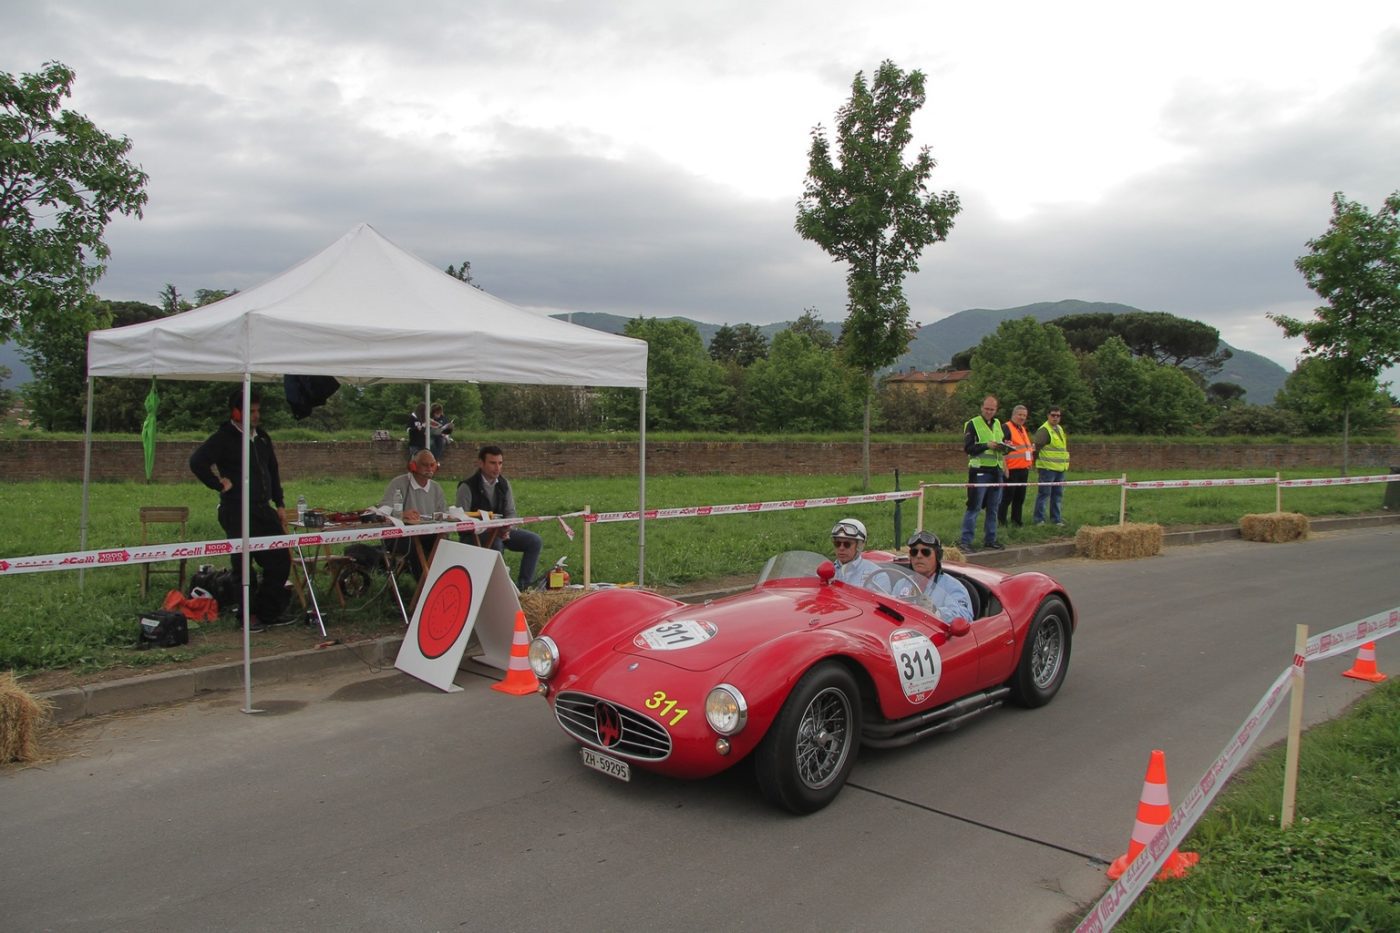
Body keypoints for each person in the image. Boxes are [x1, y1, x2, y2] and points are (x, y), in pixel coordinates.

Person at [188, 387, 294, 630]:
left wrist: (279, 503)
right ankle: (247, 615)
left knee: (279, 559)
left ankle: (268, 611)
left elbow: (273, 471)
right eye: (251, 411)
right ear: (236, 412)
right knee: (243, 565)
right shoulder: (224, 438)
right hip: (236, 509)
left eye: (258, 411)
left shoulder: (263, 438)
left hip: (262, 508)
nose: (256, 416)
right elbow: (197, 461)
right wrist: (218, 483)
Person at [456, 445, 543, 590]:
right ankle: (497, 590)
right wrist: (487, 529)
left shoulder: (504, 484)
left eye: (500, 463)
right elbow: (461, 520)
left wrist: (508, 528)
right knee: (496, 544)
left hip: (501, 531)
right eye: (492, 463)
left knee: (534, 541)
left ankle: (524, 587)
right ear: (480, 463)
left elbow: (510, 512)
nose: (497, 468)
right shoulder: (467, 487)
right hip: (475, 535)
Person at [378, 450, 447, 578]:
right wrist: (400, 514)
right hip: (400, 536)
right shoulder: (398, 483)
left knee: (446, 545)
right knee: (414, 547)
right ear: (413, 466)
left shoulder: (436, 488)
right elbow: (382, 510)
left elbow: (443, 514)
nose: (429, 468)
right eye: (424, 465)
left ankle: (443, 582)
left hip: (428, 534)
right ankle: (424, 587)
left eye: (432, 465)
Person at [960, 395, 1010, 552]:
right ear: (982, 408)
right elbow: (968, 448)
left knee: (993, 507)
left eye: (992, 409)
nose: (989, 412)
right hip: (979, 471)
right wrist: (986, 445)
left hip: (996, 470)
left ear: (996, 410)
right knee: (974, 506)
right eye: (987, 409)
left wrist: (1005, 447)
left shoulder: (998, 424)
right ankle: (965, 541)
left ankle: (990, 539)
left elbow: (1002, 446)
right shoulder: (972, 424)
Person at [905, 529, 975, 621]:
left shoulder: (952, 587)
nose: (918, 556)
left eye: (925, 552)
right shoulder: (903, 582)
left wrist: (936, 612)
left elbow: (965, 616)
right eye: (914, 552)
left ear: (937, 556)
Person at [997, 404, 1035, 528]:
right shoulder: (1006, 428)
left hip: (1023, 469)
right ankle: (1002, 522)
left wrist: (1029, 463)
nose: (1022, 417)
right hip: (1011, 470)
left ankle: (1017, 521)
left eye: (1024, 415)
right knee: (1007, 498)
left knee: (1020, 498)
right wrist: (1005, 467)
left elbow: (1025, 448)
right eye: (1020, 415)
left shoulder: (1022, 429)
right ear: (1013, 415)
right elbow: (1002, 449)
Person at [1033, 407, 1070, 526]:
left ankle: (1056, 519)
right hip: (1047, 468)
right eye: (1053, 415)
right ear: (1048, 415)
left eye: (1058, 416)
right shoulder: (1044, 430)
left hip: (1060, 468)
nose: (1055, 418)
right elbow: (1036, 449)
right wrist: (1037, 465)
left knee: (1058, 495)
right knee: (1044, 494)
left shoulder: (1059, 428)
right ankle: (1039, 519)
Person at [830, 518, 878, 587]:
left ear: (859, 545)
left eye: (847, 544)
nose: (841, 548)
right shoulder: (824, 572)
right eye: (837, 543)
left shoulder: (876, 574)